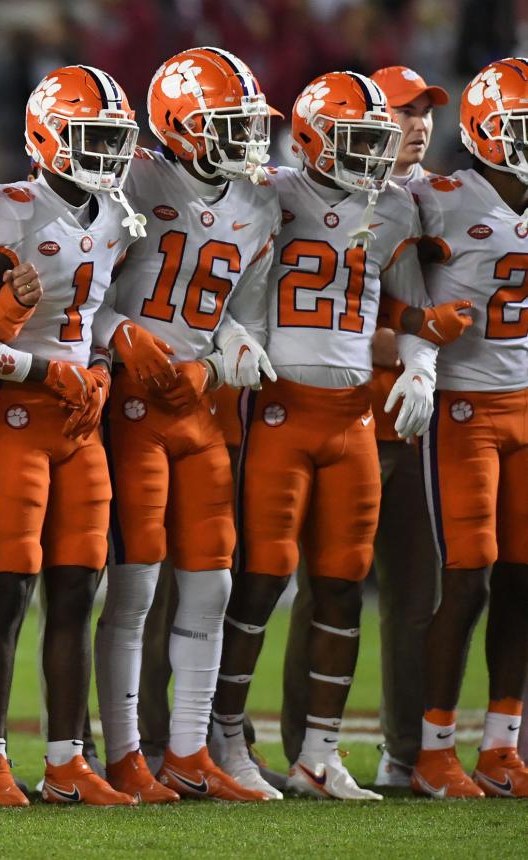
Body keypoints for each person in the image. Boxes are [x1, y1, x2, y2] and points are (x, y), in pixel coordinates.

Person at [211, 71, 437, 801]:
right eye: (358, 139)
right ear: (309, 137)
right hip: (280, 409)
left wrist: (422, 370)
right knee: (263, 578)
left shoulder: (396, 206)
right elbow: (216, 284)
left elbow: (416, 314)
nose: (374, 154)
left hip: (355, 423)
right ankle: (226, 734)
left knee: (342, 586)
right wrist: (234, 337)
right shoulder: (268, 191)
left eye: (378, 140)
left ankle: (320, 753)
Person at [92, 46, 279, 803]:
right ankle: (127, 753)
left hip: (196, 406)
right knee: (133, 585)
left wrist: (225, 350)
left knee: (212, 581)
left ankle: (189, 751)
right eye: (225, 125)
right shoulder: (132, 177)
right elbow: (80, 289)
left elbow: (247, 317)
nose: (244, 140)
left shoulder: (260, 203)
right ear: (178, 124)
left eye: (246, 125)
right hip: (131, 405)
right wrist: (116, 332)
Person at [0, 64, 138, 807]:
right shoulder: (1, 210)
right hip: (16, 414)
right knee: (7, 588)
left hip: (78, 419)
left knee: (75, 590)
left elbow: (94, 325)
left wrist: (95, 370)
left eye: (112, 139)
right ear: (47, 134)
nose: (103, 154)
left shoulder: (118, 216)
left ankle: (67, 756)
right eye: (89, 136)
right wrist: (43, 372)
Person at [277, 64, 452, 789]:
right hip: (327, 413)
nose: (415, 125)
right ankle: (294, 750)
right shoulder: (300, 194)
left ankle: (405, 755)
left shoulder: (439, 199)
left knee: (416, 596)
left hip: (414, 425)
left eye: (423, 112)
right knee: (299, 588)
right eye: (400, 113)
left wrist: (421, 356)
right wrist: (396, 343)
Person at [410, 57, 528, 799]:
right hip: (462, 409)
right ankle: (433, 748)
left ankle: (500, 743)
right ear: (488, 131)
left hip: (527, 404)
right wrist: (417, 354)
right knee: (469, 580)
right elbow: (386, 277)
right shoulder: (441, 199)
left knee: (523, 578)